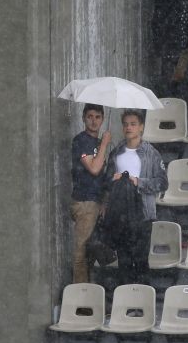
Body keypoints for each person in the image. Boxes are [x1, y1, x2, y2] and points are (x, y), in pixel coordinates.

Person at [104, 109, 168, 284]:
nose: (128, 128)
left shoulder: (151, 153)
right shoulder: (116, 153)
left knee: (140, 261)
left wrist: (138, 182)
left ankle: (142, 305)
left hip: (143, 214)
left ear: (141, 127)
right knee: (123, 262)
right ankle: (125, 304)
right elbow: (106, 183)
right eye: (125, 124)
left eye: (133, 124)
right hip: (121, 215)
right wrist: (114, 179)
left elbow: (162, 183)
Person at [69, 104, 111, 283]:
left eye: (98, 117)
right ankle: (80, 296)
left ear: (102, 119)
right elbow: (94, 168)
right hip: (84, 202)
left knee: (92, 252)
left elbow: (101, 176)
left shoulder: (96, 143)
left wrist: (104, 202)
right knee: (81, 253)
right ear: (83, 118)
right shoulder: (82, 140)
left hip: (95, 202)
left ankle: (89, 292)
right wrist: (105, 144)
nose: (94, 121)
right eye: (90, 116)